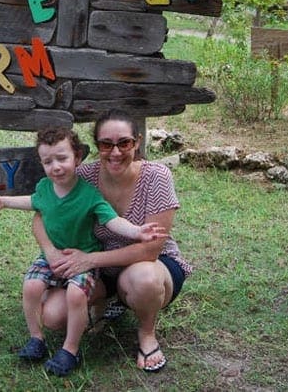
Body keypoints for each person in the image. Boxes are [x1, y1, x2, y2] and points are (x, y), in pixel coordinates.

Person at [0, 126, 166, 376]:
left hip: (82, 259)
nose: (55, 167)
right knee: (31, 285)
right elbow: (32, 202)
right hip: (52, 256)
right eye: (48, 161)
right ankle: (36, 339)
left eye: (62, 158)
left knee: (76, 295)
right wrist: (4, 202)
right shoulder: (45, 187)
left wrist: (136, 231)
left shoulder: (89, 195)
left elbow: (112, 221)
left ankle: (70, 349)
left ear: (77, 157)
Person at [31, 109, 191, 373]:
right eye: (106, 144)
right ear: (97, 146)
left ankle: (147, 333)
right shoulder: (83, 175)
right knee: (53, 315)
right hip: (99, 269)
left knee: (144, 279)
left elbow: (150, 249)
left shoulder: (157, 176)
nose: (115, 152)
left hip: (151, 264)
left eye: (124, 143)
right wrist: (49, 251)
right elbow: (41, 213)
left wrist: (90, 259)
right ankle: (106, 303)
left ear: (137, 142)